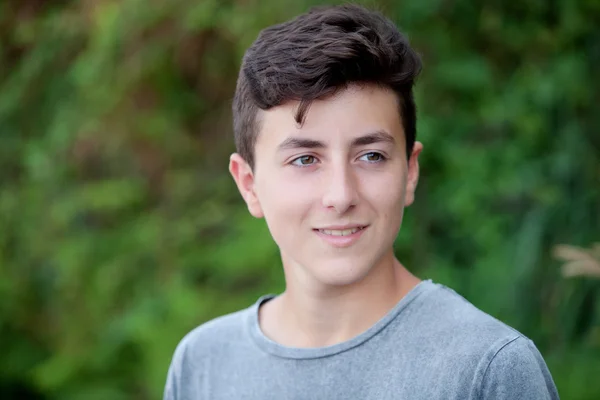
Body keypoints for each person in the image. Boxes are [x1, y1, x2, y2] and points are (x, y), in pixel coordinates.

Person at [163, 4, 559, 399]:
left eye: (371, 156)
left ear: (410, 171)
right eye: (305, 159)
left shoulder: (487, 369)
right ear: (249, 185)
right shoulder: (202, 364)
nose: (341, 195)